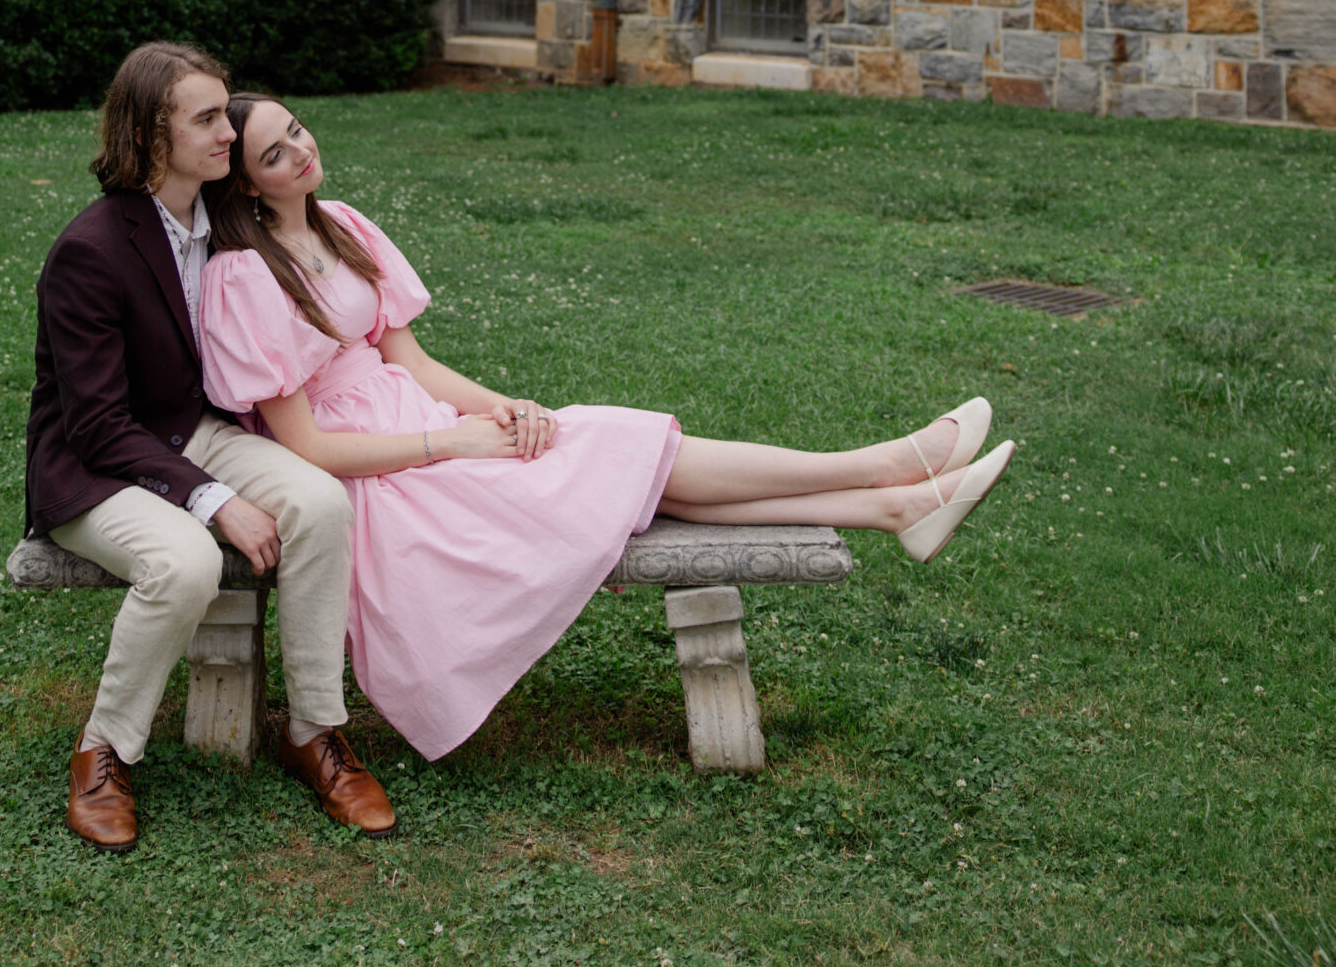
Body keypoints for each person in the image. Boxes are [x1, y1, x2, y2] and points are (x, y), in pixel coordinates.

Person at [199, 94, 1015, 764]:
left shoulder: (340, 222)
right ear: (243, 186)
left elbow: (407, 362)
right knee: (620, 451)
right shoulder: (244, 275)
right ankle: (887, 470)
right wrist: (449, 443)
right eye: (273, 154)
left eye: (296, 129)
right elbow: (303, 446)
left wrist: (499, 407)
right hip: (377, 475)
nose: (300, 151)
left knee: (603, 451)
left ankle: (893, 506)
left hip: (426, 427)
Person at [22, 43, 396, 852]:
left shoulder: (223, 224)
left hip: (191, 434)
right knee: (184, 563)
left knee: (320, 503)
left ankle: (313, 732)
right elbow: (94, 424)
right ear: (151, 140)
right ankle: (104, 751)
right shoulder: (91, 251)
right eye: (204, 119)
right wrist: (213, 500)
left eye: (223, 111)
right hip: (93, 468)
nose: (226, 131)